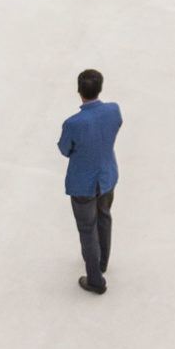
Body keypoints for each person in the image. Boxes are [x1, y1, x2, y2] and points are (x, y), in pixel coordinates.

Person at [58, 68, 122, 295]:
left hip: (83, 183)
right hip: (107, 176)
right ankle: (102, 261)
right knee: (104, 216)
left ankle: (95, 279)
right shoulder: (114, 111)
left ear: (79, 91)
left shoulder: (73, 123)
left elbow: (65, 149)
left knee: (87, 229)